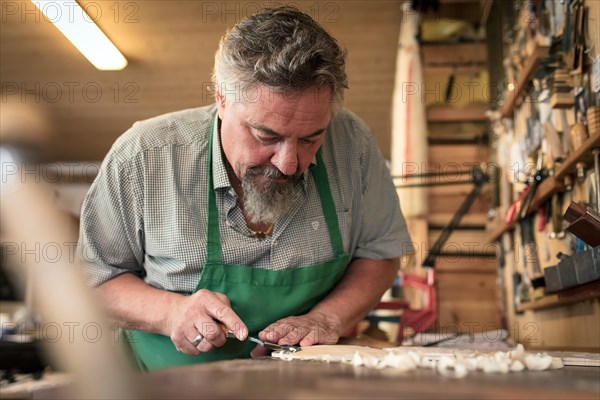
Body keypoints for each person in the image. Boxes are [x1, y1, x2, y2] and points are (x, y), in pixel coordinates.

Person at [78, 6, 413, 371]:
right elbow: (94, 280)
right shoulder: (143, 157)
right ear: (221, 99)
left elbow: (379, 252)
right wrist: (169, 312)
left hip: (301, 389)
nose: (288, 163)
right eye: (266, 135)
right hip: (163, 387)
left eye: (311, 139)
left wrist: (326, 319)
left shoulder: (353, 145)